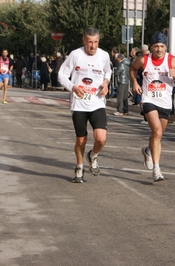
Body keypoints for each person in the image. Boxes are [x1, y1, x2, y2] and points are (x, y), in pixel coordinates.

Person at [130, 32, 175, 182]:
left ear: (165, 47)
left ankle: (148, 150)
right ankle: (157, 169)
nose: (159, 49)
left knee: (159, 134)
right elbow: (132, 68)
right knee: (156, 131)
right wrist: (135, 83)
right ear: (151, 47)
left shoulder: (172, 61)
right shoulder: (144, 60)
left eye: (162, 46)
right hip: (148, 99)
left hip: (165, 101)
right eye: (156, 46)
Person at [58, 27, 111, 183]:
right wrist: (73, 87)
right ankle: (79, 167)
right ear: (84, 41)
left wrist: (106, 83)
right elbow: (61, 75)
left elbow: (107, 72)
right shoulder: (76, 55)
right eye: (89, 42)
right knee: (81, 140)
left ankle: (93, 155)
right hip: (79, 104)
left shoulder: (104, 55)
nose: (92, 46)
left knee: (101, 138)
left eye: (95, 42)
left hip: (97, 102)